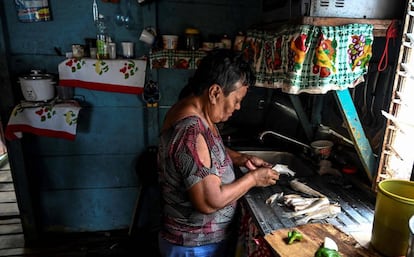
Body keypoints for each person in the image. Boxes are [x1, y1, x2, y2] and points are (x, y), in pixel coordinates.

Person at [157, 49, 280, 257]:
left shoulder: (197, 110)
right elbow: (208, 202)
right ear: (215, 93)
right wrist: (253, 179)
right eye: (237, 99)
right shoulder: (190, 130)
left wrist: (241, 158)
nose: (238, 107)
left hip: (202, 243)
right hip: (194, 247)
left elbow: (208, 151)